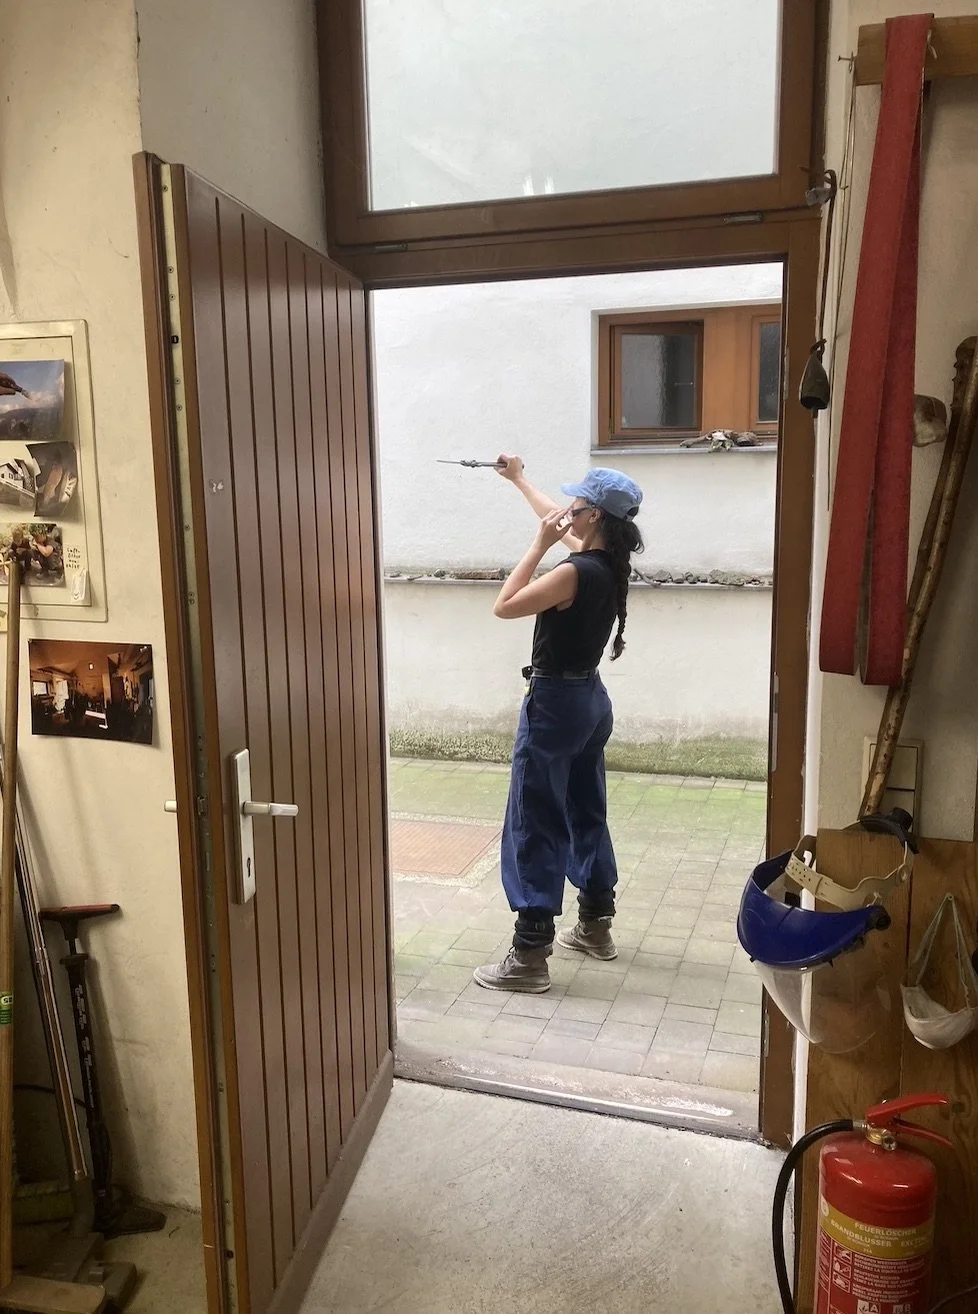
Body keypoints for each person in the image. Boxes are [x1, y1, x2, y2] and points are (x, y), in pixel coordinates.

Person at [473, 456, 644, 994]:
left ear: (591, 516)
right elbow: (560, 516)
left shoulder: (570, 570)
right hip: (591, 703)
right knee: (585, 807)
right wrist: (520, 480)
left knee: (534, 818)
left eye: (576, 504)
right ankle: (595, 923)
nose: (565, 509)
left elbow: (505, 606)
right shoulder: (607, 564)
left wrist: (538, 545)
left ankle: (529, 955)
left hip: (554, 705)